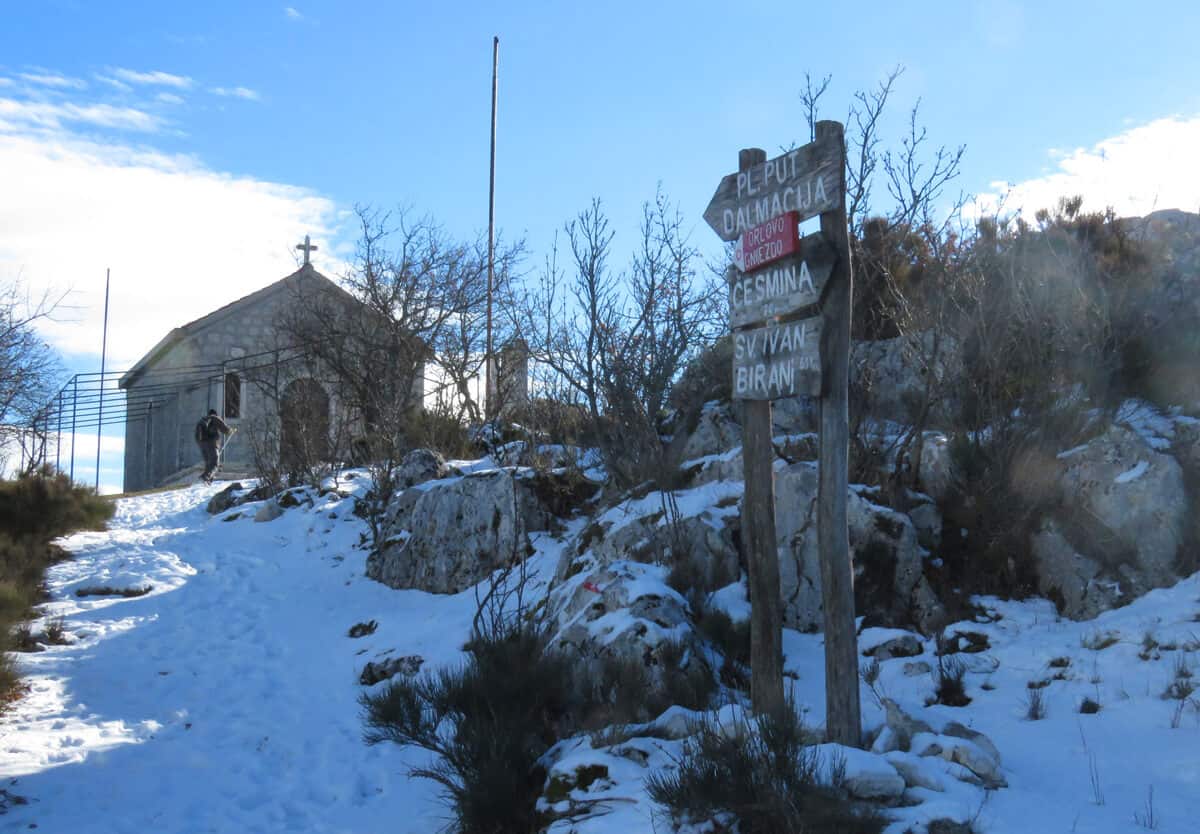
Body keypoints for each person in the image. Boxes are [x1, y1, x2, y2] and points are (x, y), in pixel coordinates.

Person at [195, 409, 235, 484]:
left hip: (202, 445)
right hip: (211, 444)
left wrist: (201, 444)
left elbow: (197, 436)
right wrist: (230, 431)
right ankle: (205, 477)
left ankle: (207, 481)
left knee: (208, 463)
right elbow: (224, 428)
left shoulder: (202, 421)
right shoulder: (214, 418)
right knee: (215, 463)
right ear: (215, 414)